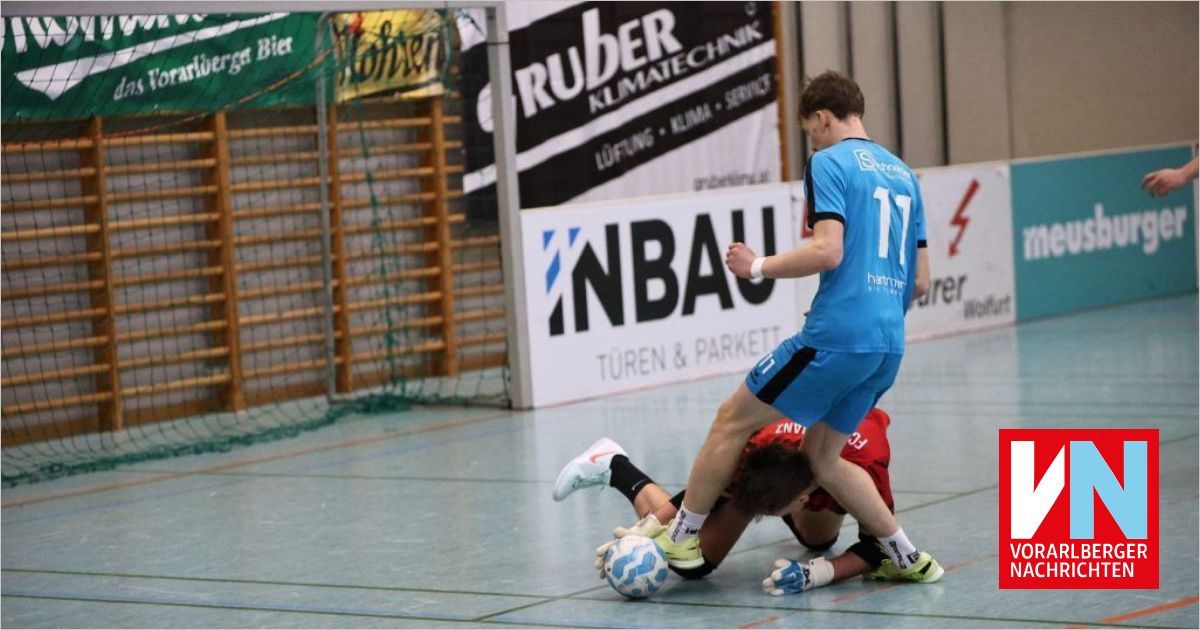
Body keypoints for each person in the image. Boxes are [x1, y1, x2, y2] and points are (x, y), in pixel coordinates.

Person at [650, 70, 940, 583]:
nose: (812, 142)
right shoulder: (903, 174)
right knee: (823, 458)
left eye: (809, 131)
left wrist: (757, 267)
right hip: (888, 346)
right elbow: (920, 282)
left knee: (732, 419)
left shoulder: (828, 162)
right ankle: (907, 556)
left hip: (837, 337)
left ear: (822, 118)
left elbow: (827, 250)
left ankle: (682, 536)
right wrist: (871, 318)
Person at [553, 408, 915, 594]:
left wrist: (820, 573)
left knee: (818, 541)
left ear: (804, 498)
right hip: (780, 466)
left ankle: (615, 466)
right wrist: (647, 531)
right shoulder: (755, 448)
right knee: (692, 564)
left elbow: (880, 547)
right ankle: (614, 465)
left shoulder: (867, 470)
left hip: (837, 461)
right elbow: (701, 497)